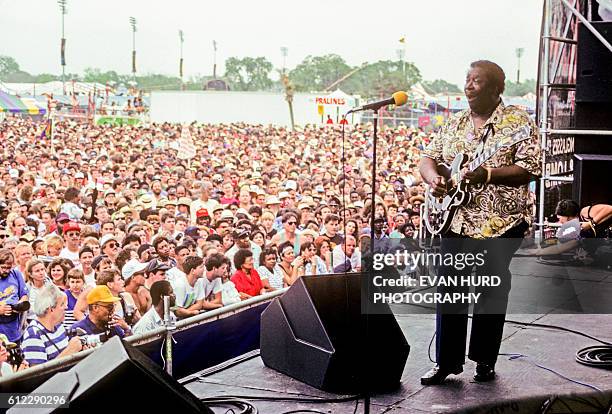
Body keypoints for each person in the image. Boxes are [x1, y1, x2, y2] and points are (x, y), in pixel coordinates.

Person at [418, 60, 541, 385]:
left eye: (478, 81)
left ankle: (484, 360)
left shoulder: (518, 121)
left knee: (490, 289)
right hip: (456, 220)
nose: (469, 86)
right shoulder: (455, 123)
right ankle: (446, 362)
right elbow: (428, 157)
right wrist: (434, 180)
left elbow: (531, 168)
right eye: (468, 79)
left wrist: (488, 174)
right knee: (450, 290)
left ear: (496, 88)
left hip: (501, 223)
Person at [21, 284, 83, 365]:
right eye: (62, 304)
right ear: (51, 309)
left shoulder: (59, 326)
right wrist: (69, 352)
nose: (66, 307)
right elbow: (38, 374)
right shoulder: (33, 334)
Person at [0, 249, 29, 343]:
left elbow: (24, 295)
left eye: (9, 267)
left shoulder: (15, 274)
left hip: (14, 329)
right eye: (3, 267)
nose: (6, 270)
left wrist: (20, 305)